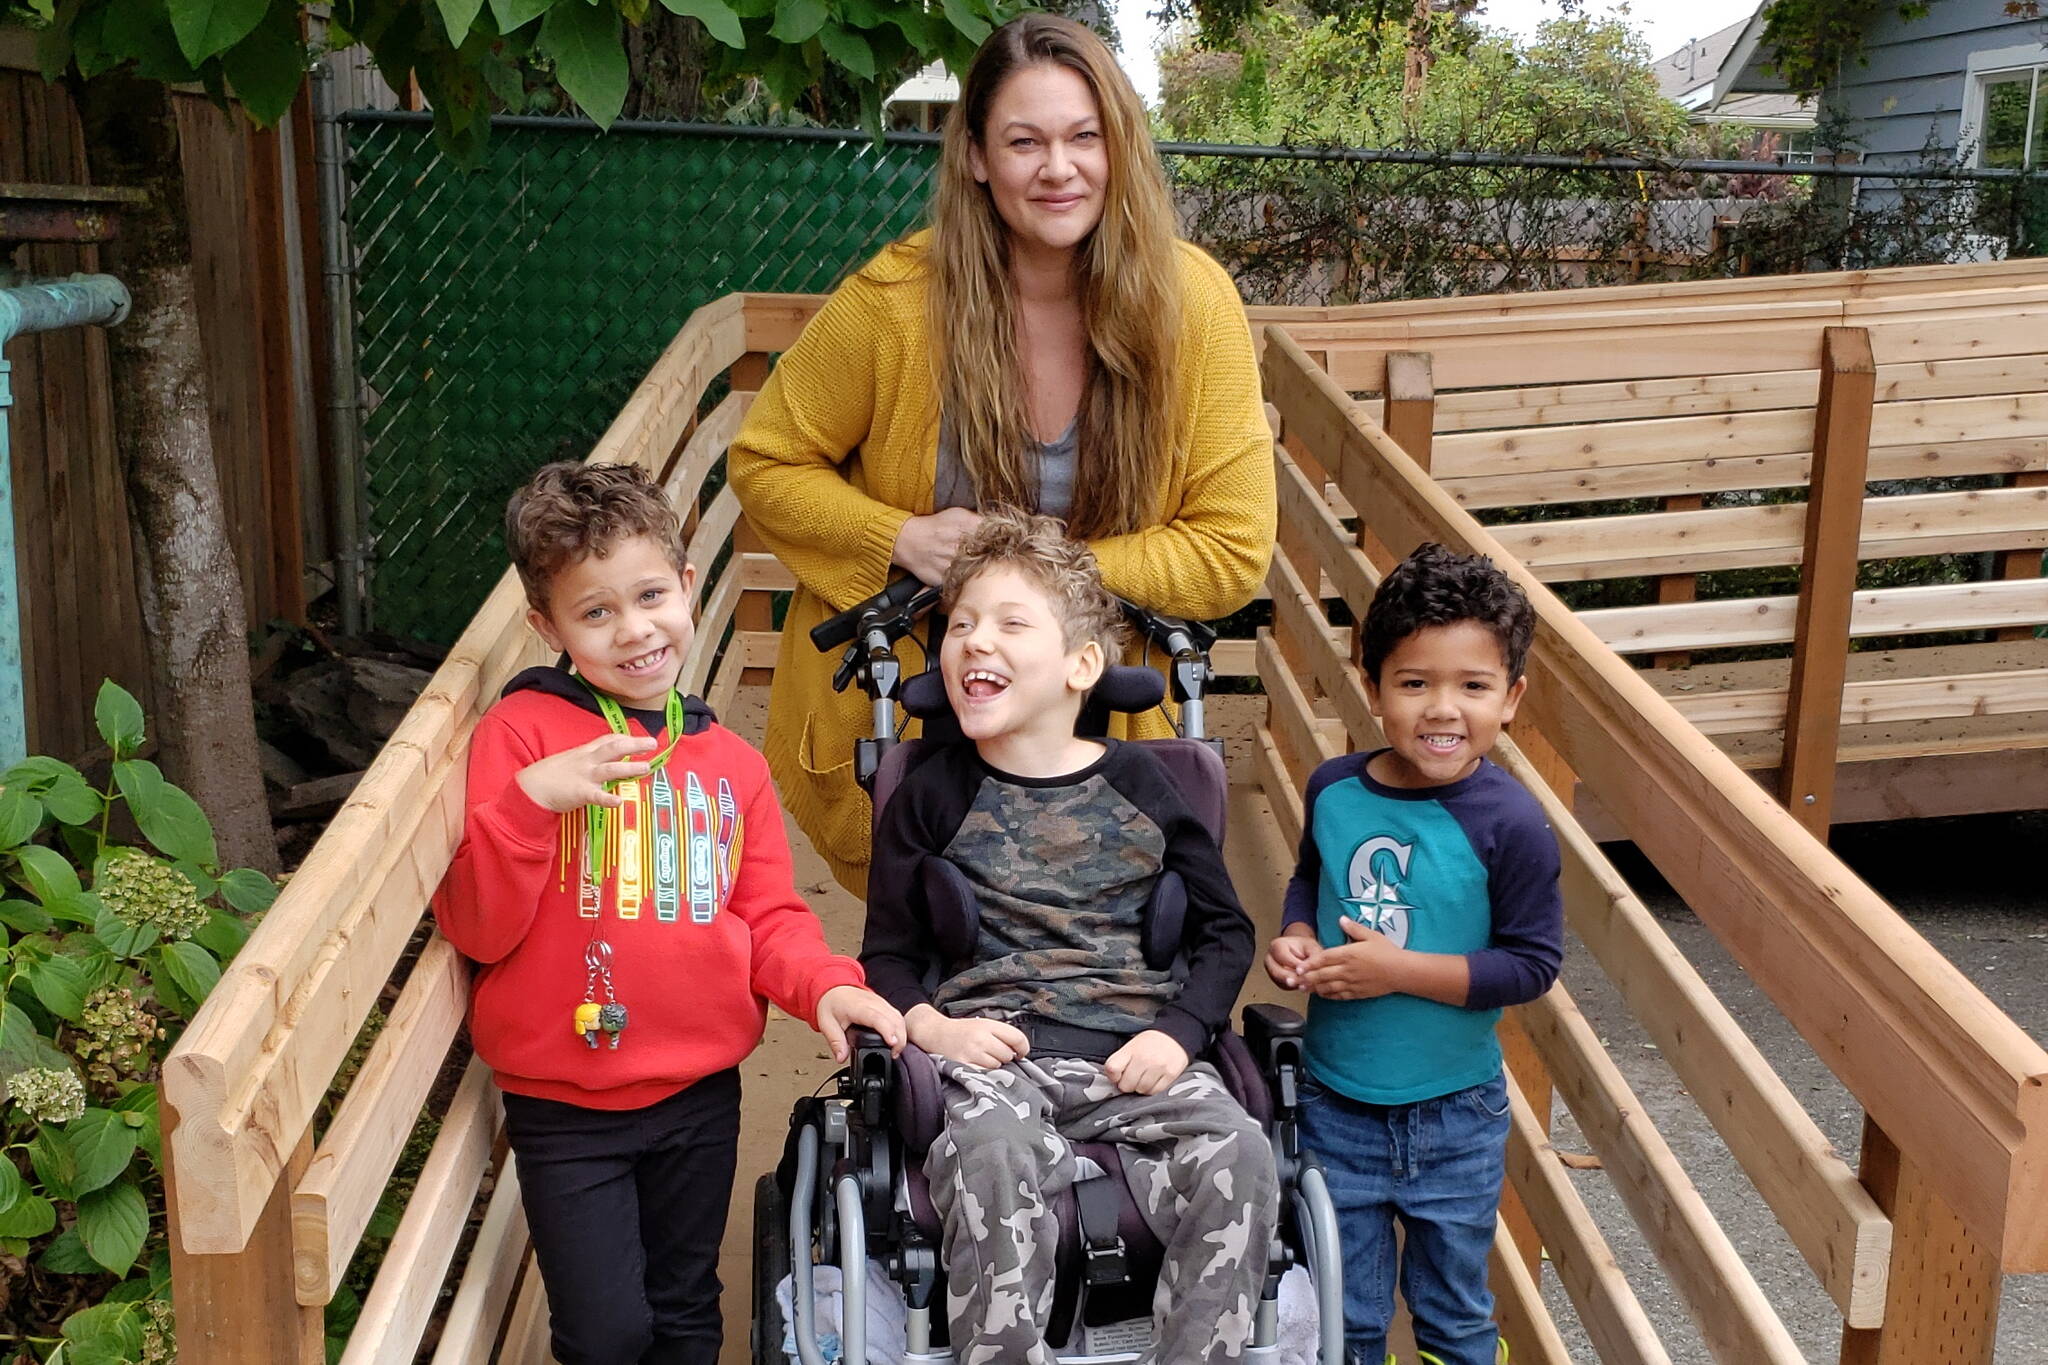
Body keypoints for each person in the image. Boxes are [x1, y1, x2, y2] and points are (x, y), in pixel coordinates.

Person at [728, 13, 1276, 895]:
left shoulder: (1192, 305)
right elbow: (766, 461)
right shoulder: (896, 302)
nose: (1059, 168)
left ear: (1119, 146)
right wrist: (901, 537)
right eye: (1025, 142)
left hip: (1105, 716)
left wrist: (1034, 585)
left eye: (1084, 138)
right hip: (923, 710)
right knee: (931, 935)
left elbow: (1232, 546)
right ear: (978, 157)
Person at [433, 462, 904, 1365]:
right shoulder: (523, 736)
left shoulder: (732, 763)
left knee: (687, 1310)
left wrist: (825, 988)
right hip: (565, 1107)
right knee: (606, 1332)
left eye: (651, 595)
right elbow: (477, 928)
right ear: (549, 627)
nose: (635, 629)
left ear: (687, 586)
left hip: (699, 1093)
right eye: (596, 611)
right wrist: (532, 804)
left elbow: (770, 916)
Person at [860, 508, 1277, 1365]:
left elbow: (1226, 934)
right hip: (994, 1056)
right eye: (961, 625)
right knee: (989, 1150)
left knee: (1241, 1149)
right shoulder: (928, 792)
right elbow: (888, 956)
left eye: (1011, 623)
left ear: (1082, 665)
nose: (976, 641)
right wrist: (936, 1029)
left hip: (1136, 1054)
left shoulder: (1151, 783)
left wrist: (1180, 1033)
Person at [1263, 543, 1563, 1365]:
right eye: (1415, 682)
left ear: (1512, 697)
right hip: (1335, 1102)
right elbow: (1310, 877)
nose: (1443, 709)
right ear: (1374, 687)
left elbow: (1530, 965)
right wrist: (1297, 934)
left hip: (1456, 1113)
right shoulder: (1334, 789)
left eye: (1473, 686)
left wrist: (1395, 972)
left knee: (1454, 1315)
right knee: (1349, 1316)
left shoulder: (1513, 824)